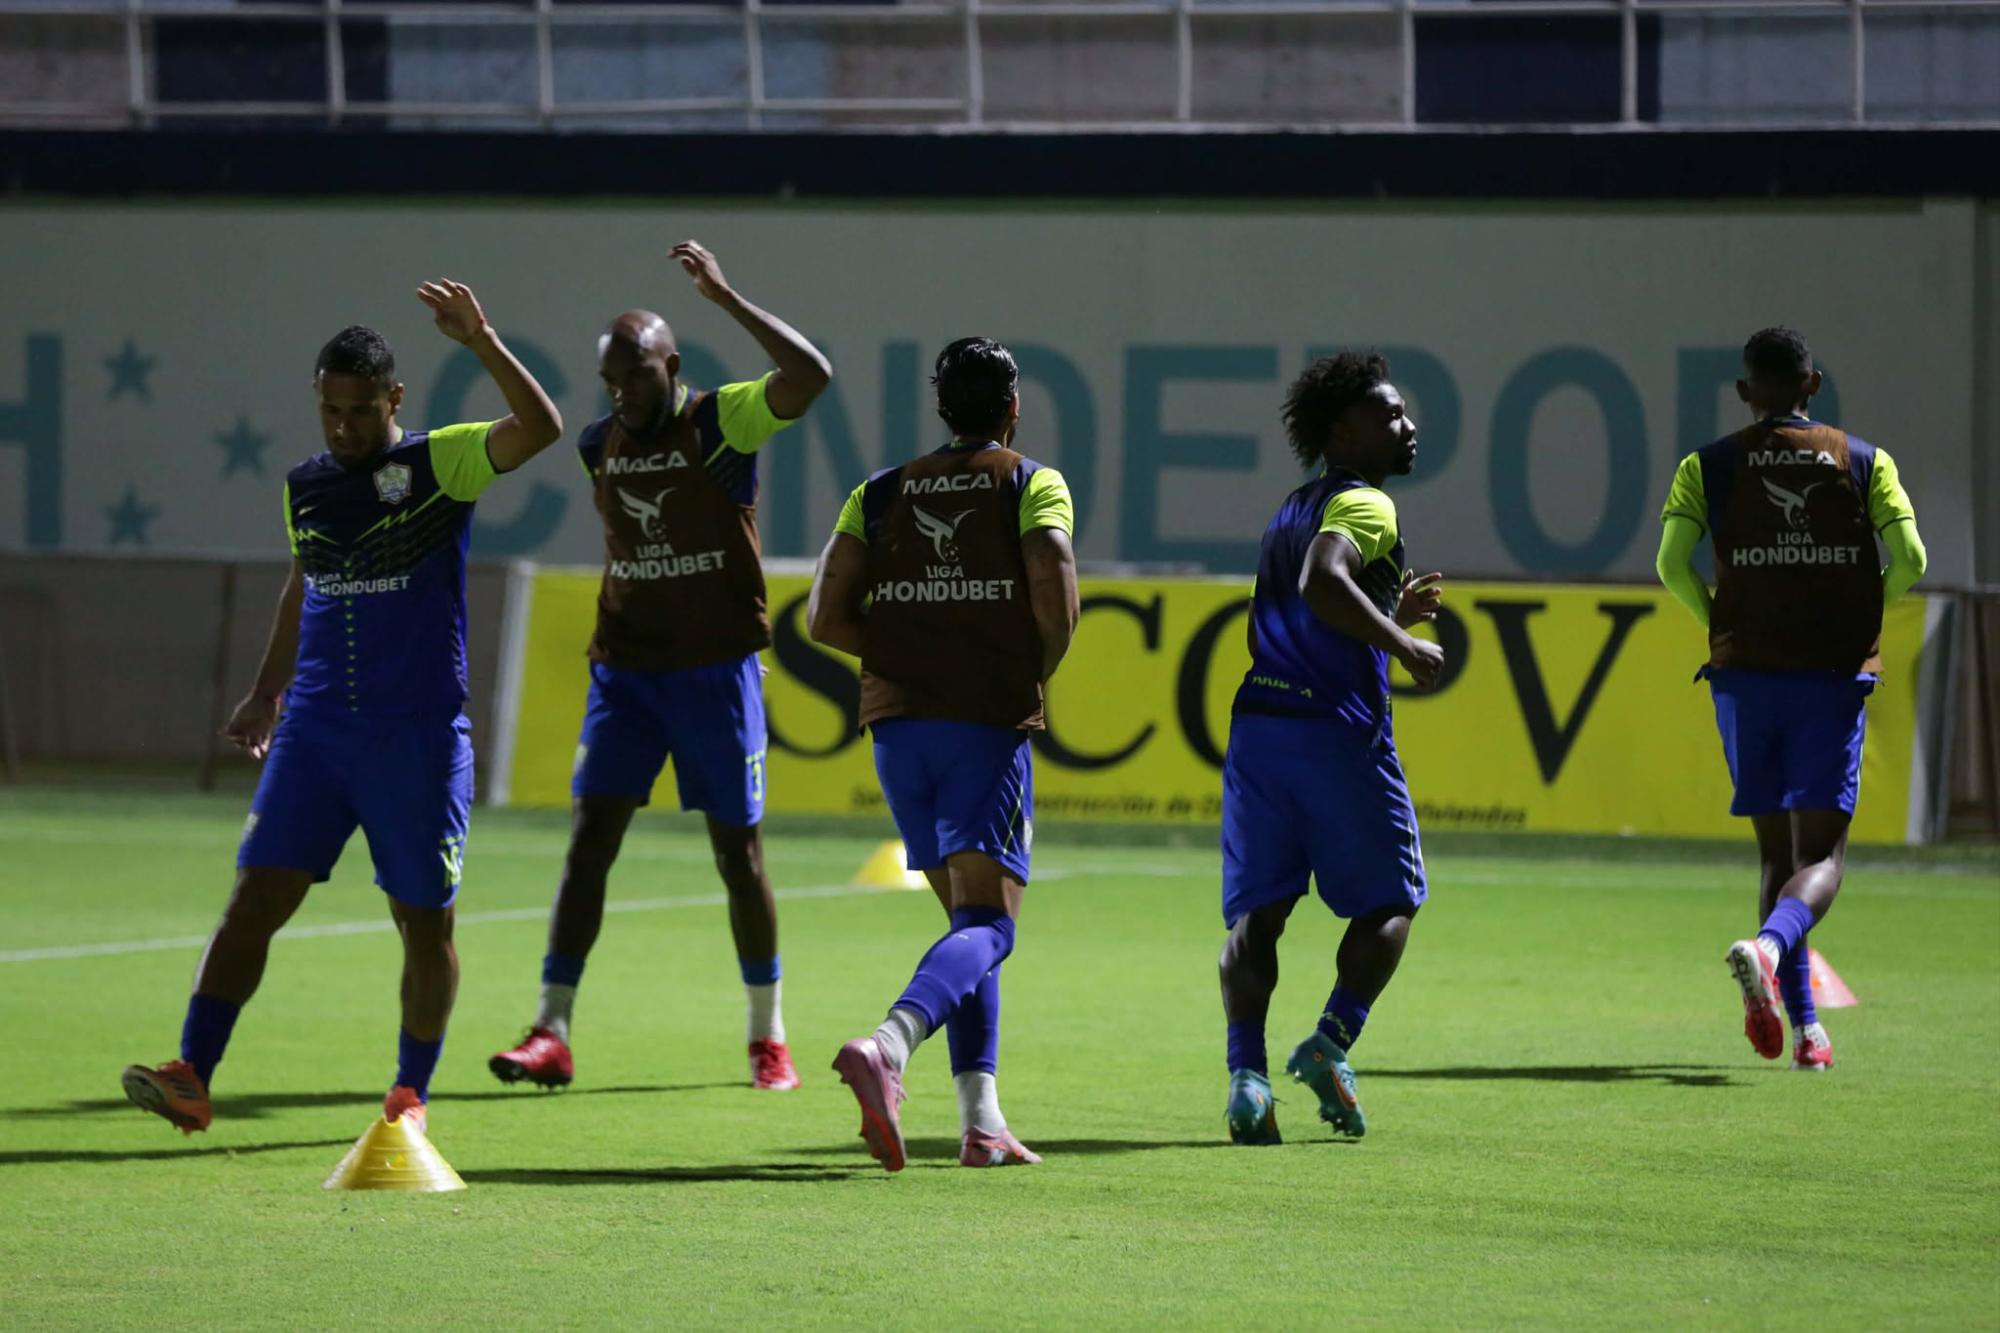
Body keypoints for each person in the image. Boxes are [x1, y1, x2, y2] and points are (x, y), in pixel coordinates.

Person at [122, 281, 563, 1136]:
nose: (343, 426)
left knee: (423, 925)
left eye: (360, 410)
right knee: (253, 901)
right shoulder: (307, 487)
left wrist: (482, 342)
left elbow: (541, 429)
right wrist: (266, 689)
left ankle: (409, 1093)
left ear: (395, 399)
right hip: (318, 732)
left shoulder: (444, 464)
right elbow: (304, 586)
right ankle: (192, 1072)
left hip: (418, 739)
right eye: (330, 409)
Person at [490, 242, 830, 1093]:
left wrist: (726, 297)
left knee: (736, 854)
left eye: (636, 376)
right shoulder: (598, 443)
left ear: (669, 367)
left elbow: (812, 374)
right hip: (627, 674)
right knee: (588, 845)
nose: (620, 393)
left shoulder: (723, 422)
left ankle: (768, 1035)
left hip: (715, 673)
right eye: (610, 379)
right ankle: (551, 1028)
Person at [806, 337, 1078, 1170]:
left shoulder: (878, 492)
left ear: (941, 408)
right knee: (994, 924)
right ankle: (889, 1045)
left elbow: (823, 618)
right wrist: (1020, 671)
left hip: (895, 728)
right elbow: (1055, 588)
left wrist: (907, 655)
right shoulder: (1032, 482)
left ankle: (982, 1121)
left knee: (964, 924)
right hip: (981, 724)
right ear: (1013, 406)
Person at [1656, 326, 1925, 1072]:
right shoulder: (1864, 460)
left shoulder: (1704, 465)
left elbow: (1670, 562)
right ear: (1813, 384)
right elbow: (1912, 558)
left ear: (1745, 392)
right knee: (1825, 856)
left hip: (1745, 678)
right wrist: (1864, 615)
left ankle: (1806, 1029)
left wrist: (1715, 616)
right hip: (1829, 678)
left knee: (1777, 852)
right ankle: (1772, 952)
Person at [1216, 350, 1445, 1146]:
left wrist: (1391, 613)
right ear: (1343, 430)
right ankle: (1330, 1042)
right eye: (1390, 414)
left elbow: (1306, 605)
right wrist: (1403, 644)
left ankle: (1247, 1079)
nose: (1408, 426)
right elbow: (1322, 582)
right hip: (1335, 732)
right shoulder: (1368, 505)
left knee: (1258, 916)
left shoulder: (1292, 505)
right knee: (1391, 903)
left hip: (1259, 728)